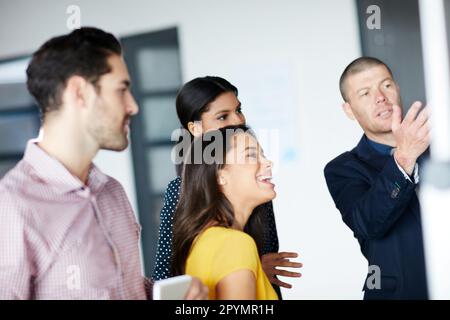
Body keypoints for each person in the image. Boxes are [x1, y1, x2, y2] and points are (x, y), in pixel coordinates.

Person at [0, 27, 207, 300]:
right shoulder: (12, 208)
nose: (133, 106)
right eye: (121, 90)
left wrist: (164, 294)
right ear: (80, 92)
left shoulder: (112, 192)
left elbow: (123, 289)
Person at [152, 77, 302, 297]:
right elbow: (167, 274)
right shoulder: (181, 190)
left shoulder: (254, 187)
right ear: (195, 129)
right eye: (223, 116)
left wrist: (253, 267)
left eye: (238, 110)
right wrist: (247, 266)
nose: (237, 121)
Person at [324, 57, 429, 299]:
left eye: (387, 85)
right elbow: (368, 223)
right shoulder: (343, 169)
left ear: (397, 89)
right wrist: (404, 158)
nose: (380, 96)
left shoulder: (440, 145)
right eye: (365, 93)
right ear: (349, 110)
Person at [172, 125, 278, 299]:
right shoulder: (235, 243)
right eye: (251, 155)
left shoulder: (205, 239)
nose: (268, 162)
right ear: (219, 176)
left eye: (263, 155)